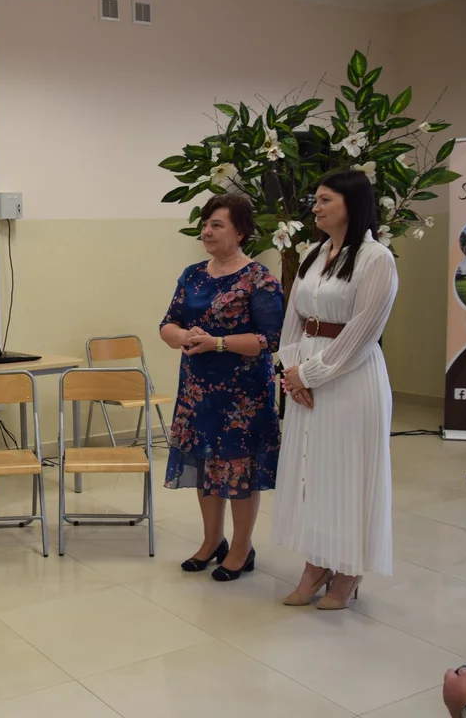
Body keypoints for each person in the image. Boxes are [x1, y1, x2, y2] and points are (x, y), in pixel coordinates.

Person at [272, 169, 397, 609]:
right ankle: (316, 561)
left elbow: (363, 331)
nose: (316, 207)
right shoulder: (313, 252)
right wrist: (290, 369)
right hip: (306, 372)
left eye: (326, 200)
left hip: (351, 380)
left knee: (348, 471)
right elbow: (295, 317)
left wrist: (311, 375)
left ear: (352, 203)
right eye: (317, 199)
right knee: (314, 472)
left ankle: (348, 570)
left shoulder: (376, 258)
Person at [159, 193, 283, 582]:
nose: (206, 231)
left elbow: (271, 339)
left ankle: (242, 547)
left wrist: (217, 343)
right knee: (206, 463)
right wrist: (182, 336)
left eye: (217, 225)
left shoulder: (259, 279)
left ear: (241, 232)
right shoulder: (193, 274)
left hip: (243, 395)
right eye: (205, 224)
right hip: (198, 390)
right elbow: (167, 323)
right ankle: (213, 541)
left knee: (238, 469)